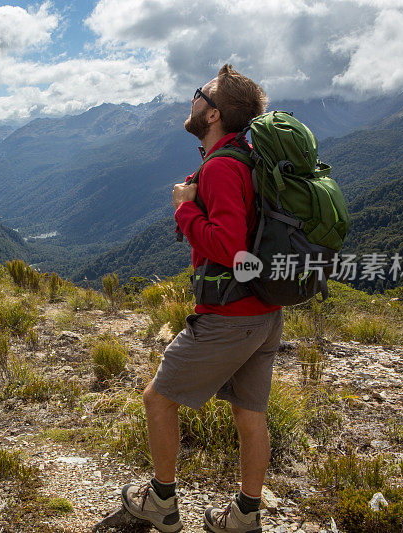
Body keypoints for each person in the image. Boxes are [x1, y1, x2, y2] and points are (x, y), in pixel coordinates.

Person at [119, 64, 284, 533]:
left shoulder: (221, 168)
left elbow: (230, 249)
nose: (192, 100)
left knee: (158, 398)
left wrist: (184, 207)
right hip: (265, 311)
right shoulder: (248, 159)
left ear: (214, 114)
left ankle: (162, 502)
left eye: (200, 94)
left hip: (230, 316)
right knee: (250, 413)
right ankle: (245, 516)